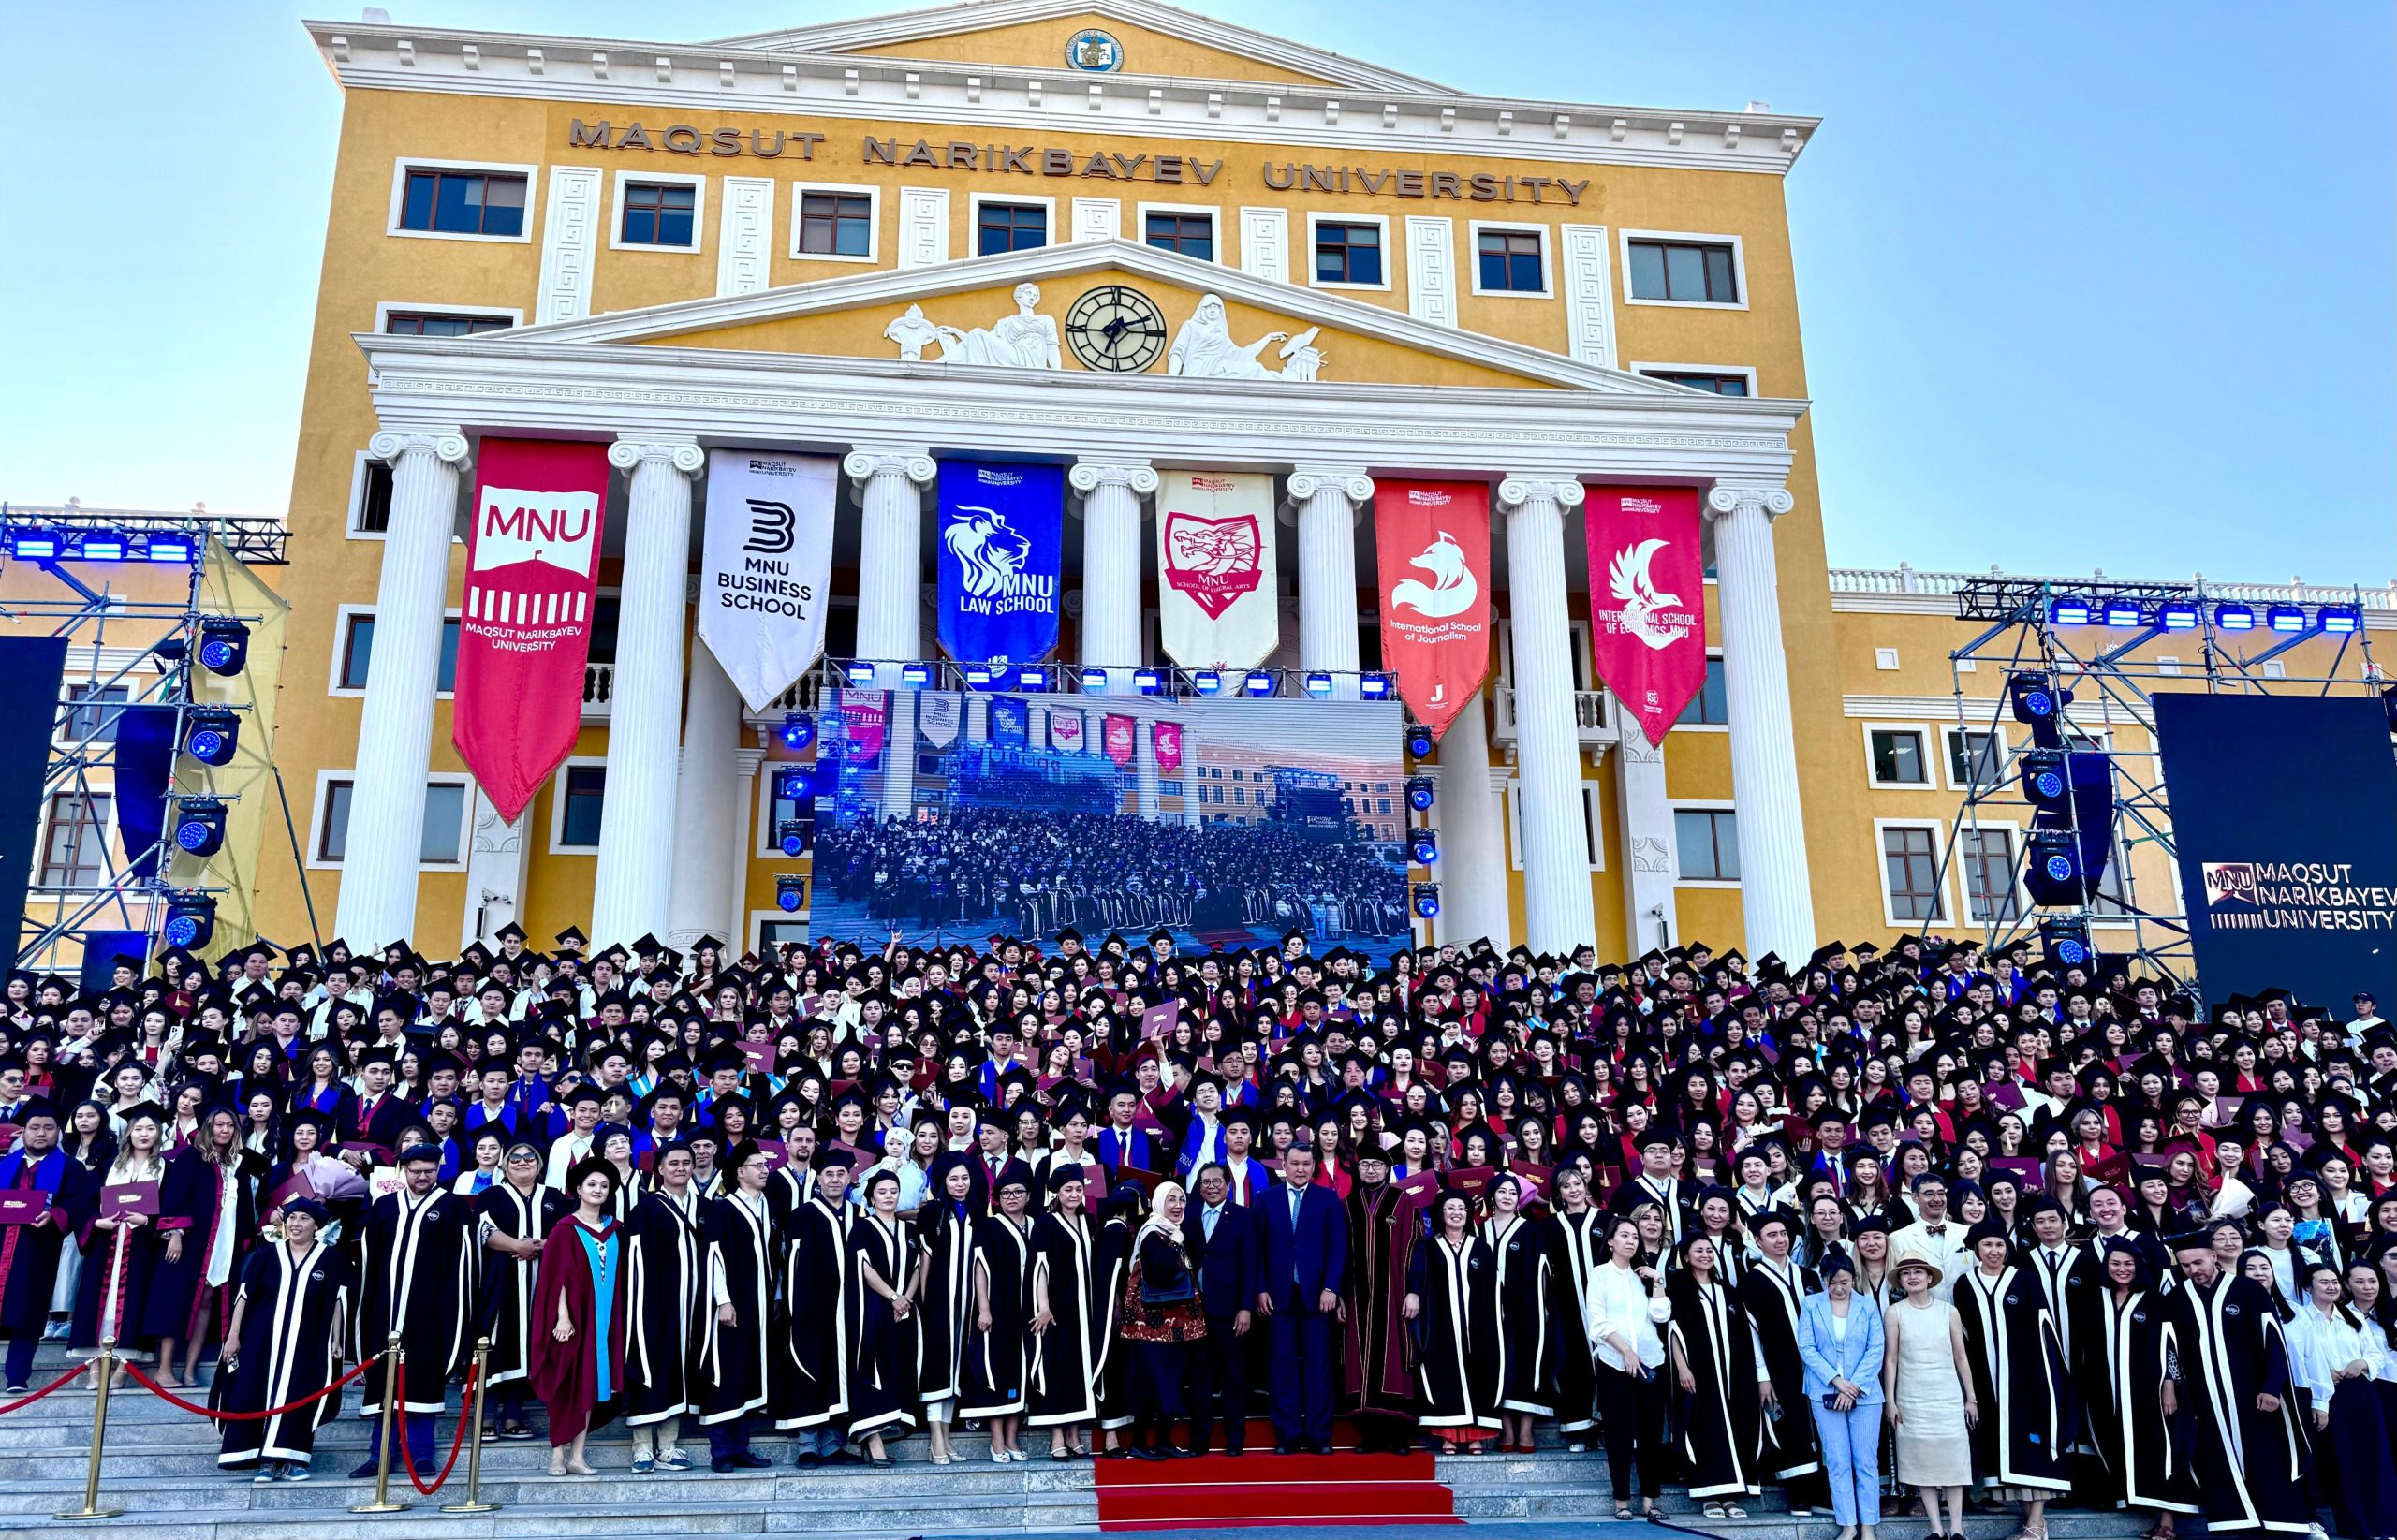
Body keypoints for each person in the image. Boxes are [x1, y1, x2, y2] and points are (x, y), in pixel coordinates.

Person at [2166, 1232, 2312, 1537]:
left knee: (2266, 1458)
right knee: (2216, 1459)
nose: (2194, 1269)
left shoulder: (2247, 1290)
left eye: (2198, 1261)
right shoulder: (2178, 1298)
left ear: (2214, 1257)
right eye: (2186, 1265)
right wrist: (2174, 1386)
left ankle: (2281, 1524)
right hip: (2206, 1399)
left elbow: (2274, 1341)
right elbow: (2171, 1349)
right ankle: (2235, 1522)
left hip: (2253, 1395)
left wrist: (2272, 1387)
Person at [350, 1141, 477, 1478]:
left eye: (429, 1171)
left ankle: (422, 1454)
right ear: (403, 1171)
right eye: (416, 1170)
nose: (422, 1176)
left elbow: (460, 1264)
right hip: (385, 1307)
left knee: (422, 1378)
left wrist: (451, 1312)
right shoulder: (385, 1206)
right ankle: (380, 1455)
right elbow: (369, 1258)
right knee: (383, 1381)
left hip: (428, 1310)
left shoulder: (451, 1207)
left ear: (439, 1170)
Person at [1951, 1216, 2070, 1540]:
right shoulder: (1965, 1285)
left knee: (2032, 1446)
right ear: (1976, 1249)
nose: (1993, 1251)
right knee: (2003, 1450)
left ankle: (2036, 1524)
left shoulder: (2025, 1281)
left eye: (1999, 1244)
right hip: (1987, 1384)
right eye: (1987, 1245)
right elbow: (1963, 1338)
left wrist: (2044, 1380)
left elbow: (2044, 1331)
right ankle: (2028, 1521)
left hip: (2027, 1379)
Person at [216, 1198, 350, 1483]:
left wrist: (337, 1339)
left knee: (300, 1395)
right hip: (261, 1340)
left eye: (304, 1218)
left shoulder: (329, 1258)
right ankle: (264, 1461)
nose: (296, 1224)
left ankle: (292, 1459)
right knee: (256, 1391)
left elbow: (337, 1300)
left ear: (317, 1225)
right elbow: (244, 1297)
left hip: (308, 1341)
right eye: (291, 1218)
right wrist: (233, 1335)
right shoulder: (267, 1255)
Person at [2081, 1239, 2197, 1533]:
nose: (2122, 1269)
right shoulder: (2095, 1299)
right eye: (2116, 1263)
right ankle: (2132, 1500)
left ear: (2139, 1266)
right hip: (2107, 1391)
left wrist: (2169, 1385)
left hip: (2149, 1391)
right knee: (2117, 1444)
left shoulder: (2156, 1300)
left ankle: (2167, 1522)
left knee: (2160, 1447)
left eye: (2128, 1263)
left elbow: (2171, 1345)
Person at [531, 1158, 628, 1476]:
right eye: (591, 1185)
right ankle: (557, 1455)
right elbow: (554, 1278)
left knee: (592, 1387)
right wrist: (562, 1317)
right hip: (573, 1321)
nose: (598, 1190)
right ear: (578, 1190)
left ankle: (578, 1455)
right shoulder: (564, 1230)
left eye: (603, 1185)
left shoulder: (615, 1230)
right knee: (567, 1384)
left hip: (605, 1322)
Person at [2292, 1258, 2397, 1540]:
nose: (2331, 1287)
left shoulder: (2352, 1317)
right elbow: (2298, 1358)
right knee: (2342, 1464)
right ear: (2308, 1287)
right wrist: (2322, 1373)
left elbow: (2376, 1354)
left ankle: (2384, 1527)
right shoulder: (2300, 1319)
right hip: (2325, 1396)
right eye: (2323, 1282)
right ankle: (2355, 1528)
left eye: (2334, 1282)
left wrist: (2360, 1363)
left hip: (2360, 1392)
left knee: (2374, 1459)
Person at [1257, 1140, 1346, 1455]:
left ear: (1314, 1166)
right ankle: (1288, 1435)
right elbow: (1257, 1249)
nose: (1300, 1170)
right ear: (1283, 1163)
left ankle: (1319, 1435)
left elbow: (1338, 1248)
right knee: (1282, 1367)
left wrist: (1331, 1288)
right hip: (1279, 1297)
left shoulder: (1328, 1199)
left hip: (1317, 1297)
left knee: (1319, 1366)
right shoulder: (1266, 1200)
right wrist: (1261, 1287)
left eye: (1306, 1164)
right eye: (1294, 1163)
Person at [622, 1139, 704, 1473]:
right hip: (654, 1305)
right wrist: (644, 1306)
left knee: (679, 1371)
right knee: (650, 1367)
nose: (681, 1168)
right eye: (674, 1163)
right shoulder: (646, 1209)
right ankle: (642, 1446)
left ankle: (669, 1446)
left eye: (686, 1162)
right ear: (659, 1170)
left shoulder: (704, 1207)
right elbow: (636, 1262)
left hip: (691, 1305)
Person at [1742, 1209, 1831, 1517]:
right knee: (1790, 1427)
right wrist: (1762, 1376)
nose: (1780, 1240)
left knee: (1820, 1428)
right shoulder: (1753, 1280)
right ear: (1758, 1241)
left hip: (1818, 1366)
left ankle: (1824, 1493)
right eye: (1772, 1235)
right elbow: (1751, 1333)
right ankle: (1800, 1496)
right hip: (1780, 1367)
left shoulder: (1808, 1276)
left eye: (1784, 1234)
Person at [1668, 1231, 1763, 1518]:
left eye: (1709, 1250)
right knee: (1704, 1428)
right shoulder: (1680, 1290)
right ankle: (1708, 1495)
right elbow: (1672, 1331)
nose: (1705, 1255)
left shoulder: (1727, 1292)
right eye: (1698, 1251)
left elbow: (1746, 1336)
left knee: (1736, 1429)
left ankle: (1732, 1497)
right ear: (1686, 1257)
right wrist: (1682, 1367)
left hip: (1733, 1376)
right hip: (1700, 1375)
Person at [478, 1140, 568, 1440]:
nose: (522, 1162)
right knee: (495, 1343)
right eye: (514, 1158)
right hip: (499, 1283)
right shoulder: (491, 1196)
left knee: (528, 1345)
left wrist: (544, 1246)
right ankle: (486, 1416)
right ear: (505, 1164)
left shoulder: (554, 1198)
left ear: (540, 1165)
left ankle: (513, 1416)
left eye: (530, 1158)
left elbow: (567, 1232)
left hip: (543, 1283)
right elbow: (482, 1230)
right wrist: (517, 1245)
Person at [1883, 1245, 1975, 1540]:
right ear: (1900, 1280)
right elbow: (1891, 1359)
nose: (1912, 1277)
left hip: (1947, 1395)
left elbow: (1961, 1357)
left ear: (1928, 1277)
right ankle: (1936, 1529)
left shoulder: (1949, 1311)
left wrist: (1970, 1397)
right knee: (1922, 1463)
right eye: (1906, 1273)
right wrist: (1891, 1401)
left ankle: (1957, 1528)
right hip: (1912, 1396)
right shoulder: (1894, 1312)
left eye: (1917, 1272)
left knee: (1953, 1461)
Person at [699, 1141, 780, 1472]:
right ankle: (721, 1450)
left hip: (760, 1303)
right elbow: (713, 1257)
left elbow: (776, 1256)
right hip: (734, 1303)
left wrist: (775, 1297)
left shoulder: (769, 1206)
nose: (764, 1170)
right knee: (727, 1370)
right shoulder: (723, 1209)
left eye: (765, 1165)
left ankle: (741, 1447)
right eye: (757, 1165)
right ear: (739, 1171)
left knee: (748, 1371)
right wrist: (724, 1300)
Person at [1586, 1211, 1670, 1520]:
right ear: (1610, 1241)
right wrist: (1626, 1351)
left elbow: (1660, 1316)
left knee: (1650, 1433)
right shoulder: (1600, 1275)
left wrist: (1657, 1280)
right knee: (1620, 1432)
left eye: (1634, 1237)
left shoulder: (1644, 1275)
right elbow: (1597, 1323)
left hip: (1651, 1361)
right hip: (1614, 1363)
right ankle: (1622, 1500)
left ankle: (1651, 1499)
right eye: (1624, 1235)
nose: (1630, 1241)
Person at [1797, 1249, 1885, 1540]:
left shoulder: (1868, 1306)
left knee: (1866, 1461)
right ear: (1823, 1280)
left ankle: (1869, 1526)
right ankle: (1848, 1524)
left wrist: (1854, 1385)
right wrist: (1837, 1381)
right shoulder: (1811, 1305)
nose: (1838, 1288)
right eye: (1832, 1282)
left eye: (1844, 1282)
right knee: (1837, 1459)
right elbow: (1806, 1347)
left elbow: (1876, 1349)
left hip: (1865, 1394)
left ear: (1853, 1279)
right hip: (1824, 1391)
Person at [0, 1104, 88, 1394]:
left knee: (29, 1310)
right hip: (1, 1242)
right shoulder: (5, 1164)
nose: (41, 1133)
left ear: (58, 1132)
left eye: (48, 1128)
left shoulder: (70, 1167)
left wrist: (55, 1215)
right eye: (35, 1128)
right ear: (23, 1132)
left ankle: (17, 1376)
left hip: (37, 1249)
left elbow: (78, 1204)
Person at [1405, 1187, 1496, 1454]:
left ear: (1468, 1214)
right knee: (1445, 1375)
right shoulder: (1429, 1247)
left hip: (1475, 1324)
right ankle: (1449, 1435)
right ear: (1441, 1213)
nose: (1456, 1213)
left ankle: (1475, 1434)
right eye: (1450, 1208)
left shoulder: (1480, 1247)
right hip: (1442, 1323)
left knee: (1476, 1374)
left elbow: (1491, 1286)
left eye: (1461, 1209)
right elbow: (1420, 1282)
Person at [779, 1148, 856, 1461]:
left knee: (843, 1373)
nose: (835, 1179)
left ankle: (834, 1443)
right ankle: (808, 1444)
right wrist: (799, 1310)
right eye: (829, 1174)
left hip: (849, 1309)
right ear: (818, 1178)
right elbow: (794, 1266)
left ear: (849, 1178)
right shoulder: (804, 1215)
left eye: (840, 1174)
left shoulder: (858, 1214)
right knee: (810, 1368)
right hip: (814, 1309)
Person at [1122, 1179, 1206, 1459]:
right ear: (1158, 1202)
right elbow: (1161, 1271)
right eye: (1171, 1200)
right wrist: (1174, 1243)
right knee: (1151, 1385)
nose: (1178, 1206)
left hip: (1177, 1326)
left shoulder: (1174, 1231)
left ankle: (1164, 1441)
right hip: (1152, 1327)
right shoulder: (1152, 1232)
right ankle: (1138, 1442)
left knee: (1171, 1383)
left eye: (1181, 1200)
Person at [963, 1163, 1037, 1462]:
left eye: (1019, 1192)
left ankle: (1012, 1439)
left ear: (1028, 1196)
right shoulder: (988, 1227)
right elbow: (979, 1268)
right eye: (1005, 1193)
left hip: (1027, 1311)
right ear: (997, 1198)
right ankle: (996, 1441)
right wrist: (983, 1308)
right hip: (997, 1310)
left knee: (1020, 1374)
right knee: (997, 1371)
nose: (1012, 1197)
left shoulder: (1036, 1225)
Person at [1028, 1166, 1103, 1457]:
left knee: (1078, 1370)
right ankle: (1056, 1434)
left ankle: (1073, 1432)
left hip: (1084, 1308)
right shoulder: (1047, 1223)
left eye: (1078, 1189)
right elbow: (1039, 1267)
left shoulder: (1088, 1221)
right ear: (1056, 1193)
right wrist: (1043, 1306)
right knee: (1057, 1367)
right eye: (1068, 1190)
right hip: (1058, 1308)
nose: (1074, 1194)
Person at [1187, 1161, 1261, 1457]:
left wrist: (1246, 1307)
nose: (1212, 1187)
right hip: (1196, 1311)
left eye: (1217, 1181)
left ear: (1228, 1185)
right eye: (1206, 1182)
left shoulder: (1243, 1217)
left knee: (1233, 1377)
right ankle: (1199, 1441)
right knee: (1199, 1377)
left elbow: (1250, 1264)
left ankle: (1234, 1441)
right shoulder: (1190, 1215)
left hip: (1231, 1312)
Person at [915, 1152, 978, 1464]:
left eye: (964, 1178)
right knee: (938, 1366)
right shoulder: (934, 1212)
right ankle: (935, 1438)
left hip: (967, 1301)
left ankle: (948, 1435)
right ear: (942, 1181)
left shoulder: (977, 1211)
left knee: (956, 1368)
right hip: (939, 1299)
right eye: (953, 1178)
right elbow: (924, 1259)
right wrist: (925, 1302)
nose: (959, 1184)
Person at [1482, 1173, 1552, 1452]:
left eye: (1513, 1192)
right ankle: (1506, 1429)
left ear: (1519, 1199)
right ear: (1493, 1196)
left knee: (1524, 1365)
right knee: (1499, 1367)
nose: (1508, 1196)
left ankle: (1526, 1431)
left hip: (1523, 1310)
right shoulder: (1479, 1230)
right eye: (1502, 1191)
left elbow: (1541, 1273)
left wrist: (1539, 1308)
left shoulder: (1530, 1230)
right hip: (1489, 1310)